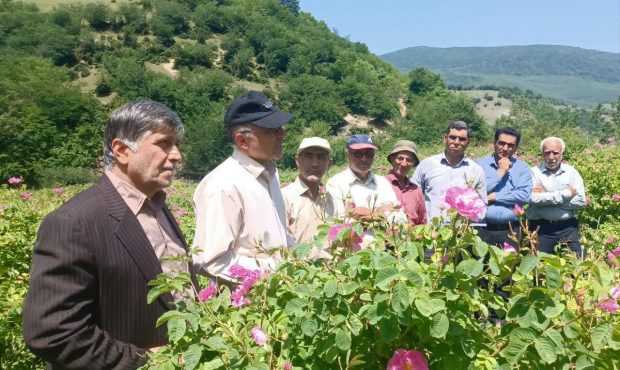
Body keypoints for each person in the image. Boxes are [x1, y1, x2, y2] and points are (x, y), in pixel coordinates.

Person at [22, 100, 197, 369]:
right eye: (164, 143)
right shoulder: (73, 223)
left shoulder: (158, 207)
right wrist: (148, 362)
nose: (176, 155)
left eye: (177, 145)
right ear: (122, 150)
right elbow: (53, 331)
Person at [192, 91, 295, 283]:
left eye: (280, 127)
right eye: (272, 130)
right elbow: (212, 261)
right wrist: (275, 273)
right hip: (247, 307)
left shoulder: (271, 175)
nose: (283, 134)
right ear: (242, 141)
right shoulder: (222, 184)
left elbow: (278, 235)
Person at [412, 120, 487, 224]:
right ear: (445, 138)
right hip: (430, 232)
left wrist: (468, 220)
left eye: (462, 139)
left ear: (468, 142)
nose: (456, 142)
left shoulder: (476, 171)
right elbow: (413, 198)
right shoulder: (427, 165)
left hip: (461, 233)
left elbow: (482, 206)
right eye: (452, 137)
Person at [326, 134, 406, 224]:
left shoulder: (382, 183)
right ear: (347, 155)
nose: (364, 158)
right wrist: (381, 212)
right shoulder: (335, 184)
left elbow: (399, 218)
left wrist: (363, 214)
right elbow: (340, 221)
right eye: (358, 154)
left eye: (369, 154)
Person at [528, 137, 586, 257]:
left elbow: (580, 201)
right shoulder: (533, 172)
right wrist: (567, 194)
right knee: (537, 267)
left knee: (578, 263)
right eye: (547, 152)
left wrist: (545, 195)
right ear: (542, 153)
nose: (551, 157)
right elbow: (533, 199)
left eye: (555, 152)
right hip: (541, 228)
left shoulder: (572, 172)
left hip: (568, 227)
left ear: (562, 153)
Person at [476, 128, 532, 247]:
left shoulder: (523, 168)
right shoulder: (479, 165)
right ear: (494, 143)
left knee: (509, 264)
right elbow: (475, 192)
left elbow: (524, 195)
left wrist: (494, 197)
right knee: (481, 264)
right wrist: (501, 171)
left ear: (516, 148)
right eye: (502, 143)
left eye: (511, 145)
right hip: (482, 228)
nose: (506, 148)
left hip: (511, 230)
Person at [281, 137, 335, 244]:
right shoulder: (284, 197)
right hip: (298, 260)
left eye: (321, 157)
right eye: (308, 156)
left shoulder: (333, 200)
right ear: (297, 161)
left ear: (329, 163)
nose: (315, 163)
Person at [385, 140, 426, 226]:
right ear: (392, 159)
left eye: (409, 160)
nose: (404, 164)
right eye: (400, 158)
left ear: (413, 163)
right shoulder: (381, 184)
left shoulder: (416, 191)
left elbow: (422, 222)